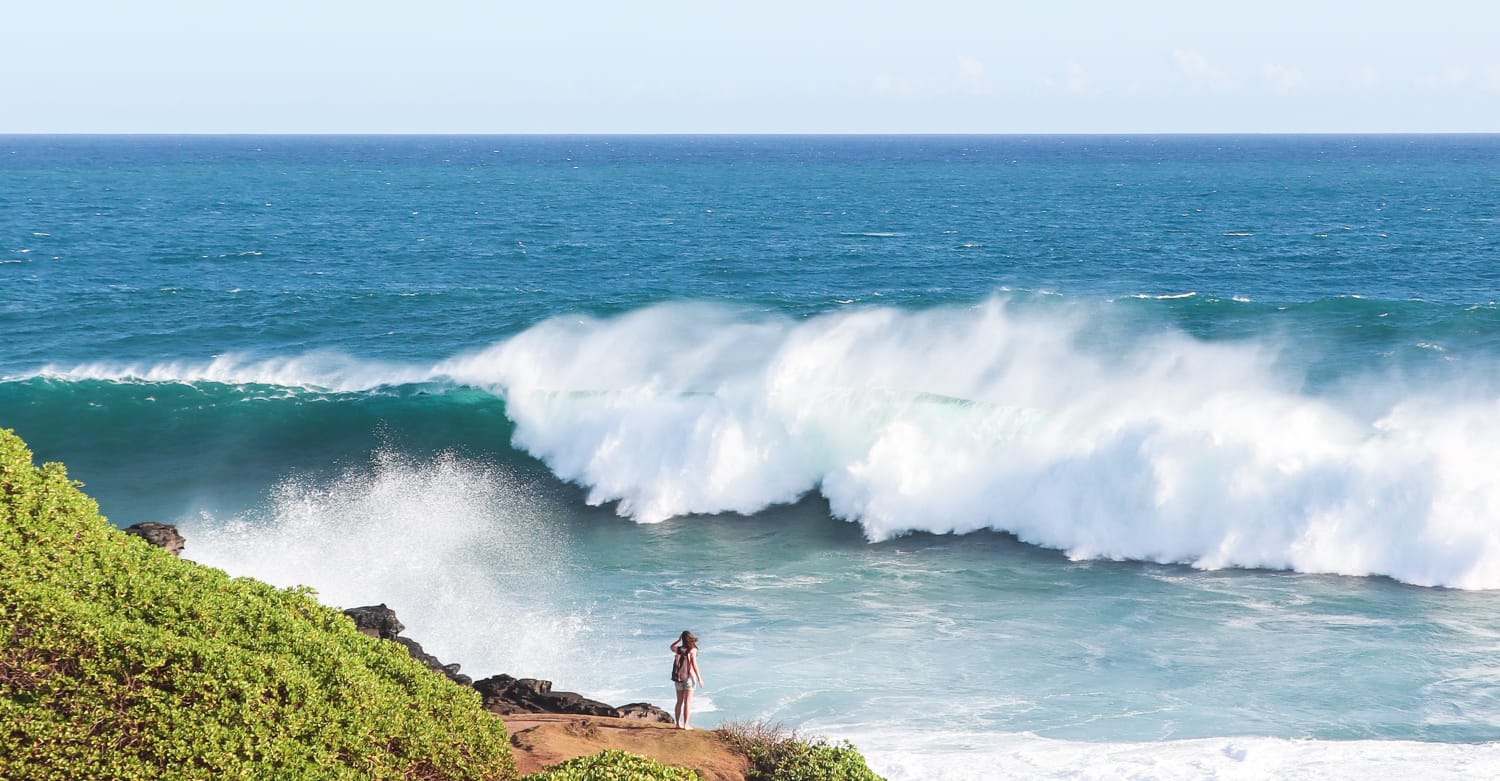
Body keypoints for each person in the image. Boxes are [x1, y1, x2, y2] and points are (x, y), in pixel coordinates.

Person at [670, 630, 704, 729]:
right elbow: (694, 665)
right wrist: (699, 679)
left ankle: (677, 724)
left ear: (683, 639)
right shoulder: (692, 650)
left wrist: (678, 640)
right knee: (687, 702)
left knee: (679, 702)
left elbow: (671, 647)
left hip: (678, 678)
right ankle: (686, 725)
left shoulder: (678, 649)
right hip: (689, 678)